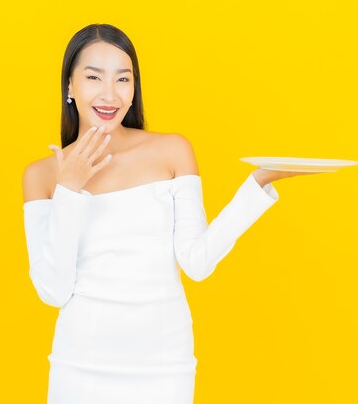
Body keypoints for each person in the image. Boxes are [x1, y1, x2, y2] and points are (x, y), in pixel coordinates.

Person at [22, 23, 316, 404]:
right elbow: (53, 290)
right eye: (94, 77)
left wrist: (259, 183)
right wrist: (69, 190)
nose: (110, 94)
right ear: (70, 87)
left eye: (123, 79)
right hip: (80, 364)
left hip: (163, 362)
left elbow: (197, 262)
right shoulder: (41, 175)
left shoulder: (172, 151)